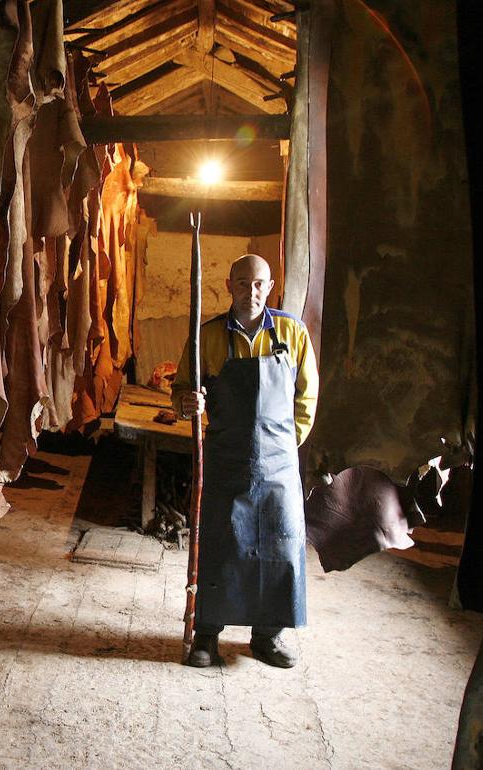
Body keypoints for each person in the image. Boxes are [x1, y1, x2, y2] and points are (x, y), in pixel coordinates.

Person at [171, 254, 319, 668]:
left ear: (269, 287)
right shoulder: (209, 335)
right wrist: (189, 403)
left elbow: (306, 396)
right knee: (220, 545)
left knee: (279, 546)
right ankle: (206, 637)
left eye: (258, 284)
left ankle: (267, 637)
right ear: (228, 285)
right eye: (241, 283)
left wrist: (288, 445)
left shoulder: (292, 332)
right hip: (226, 457)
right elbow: (183, 388)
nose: (250, 292)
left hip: (279, 463)